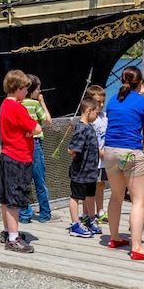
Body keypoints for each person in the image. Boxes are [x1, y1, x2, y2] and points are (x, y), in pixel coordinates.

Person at [102, 65, 144, 260]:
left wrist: (139, 92)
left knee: (116, 196)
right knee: (138, 201)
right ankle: (137, 248)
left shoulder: (112, 100)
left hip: (110, 151)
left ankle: (114, 238)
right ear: (140, 82)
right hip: (132, 152)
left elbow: (125, 110)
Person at [0, 69, 42, 253]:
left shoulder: (4, 105)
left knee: (6, 198)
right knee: (14, 199)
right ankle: (13, 239)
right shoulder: (17, 107)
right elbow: (37, 128)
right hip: (18, 157)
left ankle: (8, 231)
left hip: (7, 154)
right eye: (24, 89)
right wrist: (30, 130)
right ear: (17, 89)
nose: (26, 92)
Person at [18, 74, 52, 224]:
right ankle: (45, 213)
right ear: (32, 90)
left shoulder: (18, 104)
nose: (40, 92)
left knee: (23, 181)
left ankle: (25, 215)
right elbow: (48, 121)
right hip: (35, 144)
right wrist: (42, 102)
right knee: (39, 181)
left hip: (21, 145)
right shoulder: (35, 104)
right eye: (38, 89)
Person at [66, 97, 102, 237]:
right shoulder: (82, 129)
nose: (97, 116)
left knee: (90, 195)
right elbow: (73, 149)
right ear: (89, 110)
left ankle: (91, 219)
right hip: (81, 172)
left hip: (91, 171)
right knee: (76, 196)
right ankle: (75, 224)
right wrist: (72, 152)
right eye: (96, 113)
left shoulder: (89, 127)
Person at [85, 85, 109, 223]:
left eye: (103, 102)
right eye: (98, 102)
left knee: (101, 184)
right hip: (94, 158)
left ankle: (100, 210)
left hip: (104, 158)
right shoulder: (90, 118)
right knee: (90, 186)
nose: (101, 105)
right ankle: (88, 213)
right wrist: (99, 152)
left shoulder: (105, 117)